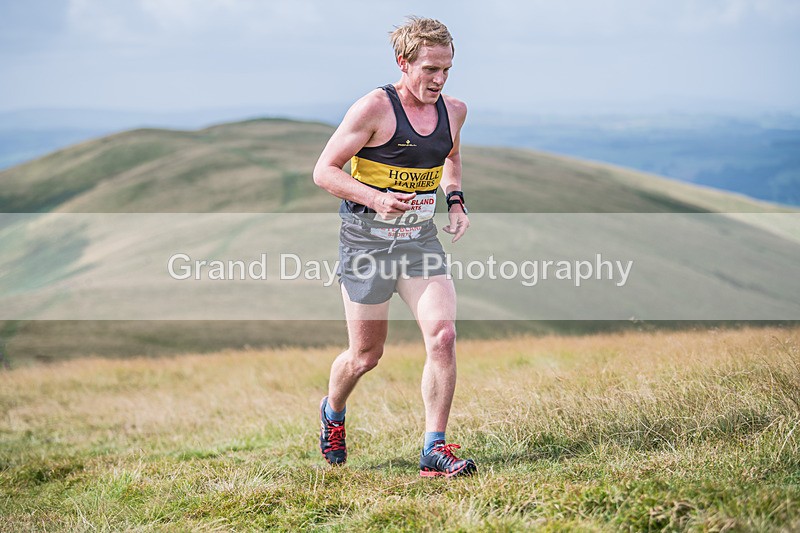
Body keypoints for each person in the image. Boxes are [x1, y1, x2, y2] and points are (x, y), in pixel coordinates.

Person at [312, 16, 475, 478]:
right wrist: (376, 198)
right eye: (429, 70)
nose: (439, 80)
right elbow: (324, 171)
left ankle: (433, 449)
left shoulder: (455, 111)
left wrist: (456, 201)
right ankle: (333, 410)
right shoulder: (374, 109)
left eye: (446, 69)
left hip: (419, 240)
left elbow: (452, 157)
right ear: (403, 63)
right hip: (366, 240)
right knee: (366, 356)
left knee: (442, 336)